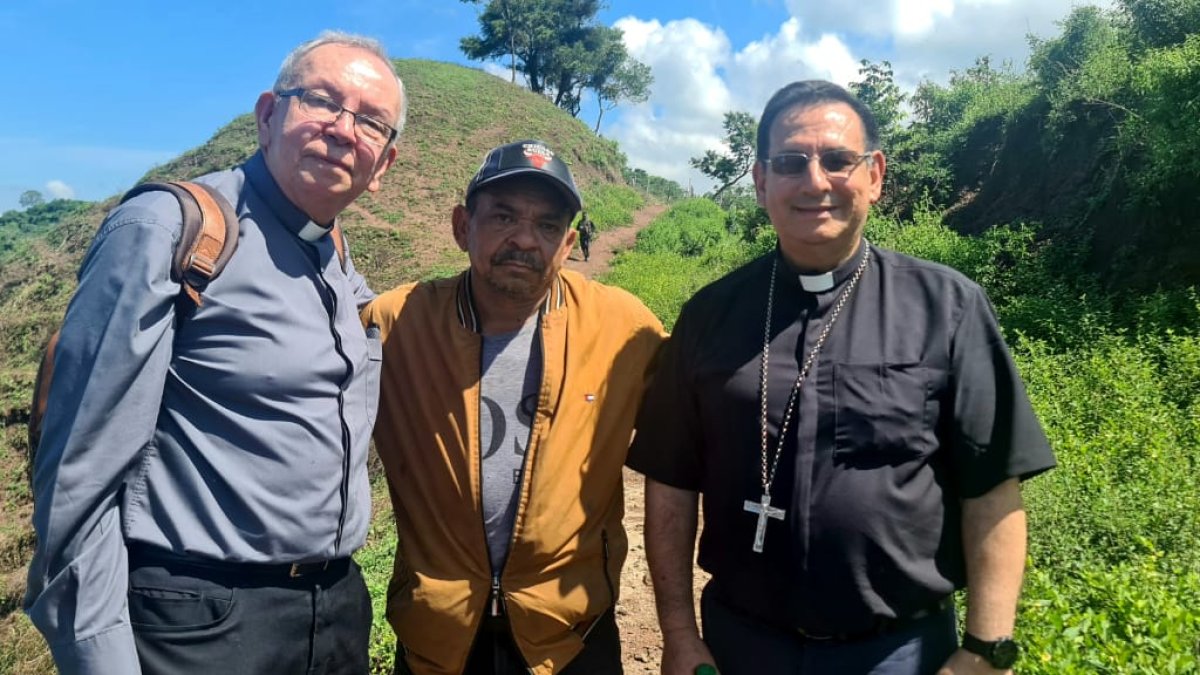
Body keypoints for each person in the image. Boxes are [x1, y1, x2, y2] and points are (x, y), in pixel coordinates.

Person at [627, 80, 1056, 675]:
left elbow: (993, 485)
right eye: (790, 163)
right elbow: (671, 482)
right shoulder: (710, 314)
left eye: (837, 160)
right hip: (740, 644)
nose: (814, 181)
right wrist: (677, 633)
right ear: (760, 182)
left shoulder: (948, 307)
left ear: (875, 175)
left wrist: (986, 648)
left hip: (900, 651)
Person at [25, 31, 406, 675]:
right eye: (321, 101)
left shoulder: (337, 260)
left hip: (333, 613)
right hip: (201, 622)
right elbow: (77, 475)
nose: (345, 130)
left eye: (371, 122)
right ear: (266, 115)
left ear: (384, 167)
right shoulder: (171, 230)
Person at [362, 139, 666, 675]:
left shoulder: (623, 327)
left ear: (569, 242)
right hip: (439, 635)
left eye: (548, 226)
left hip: (571, 635)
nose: (525, 239)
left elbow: (696, 426)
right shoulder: (395, 324)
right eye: (503, 216)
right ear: (463, 226)